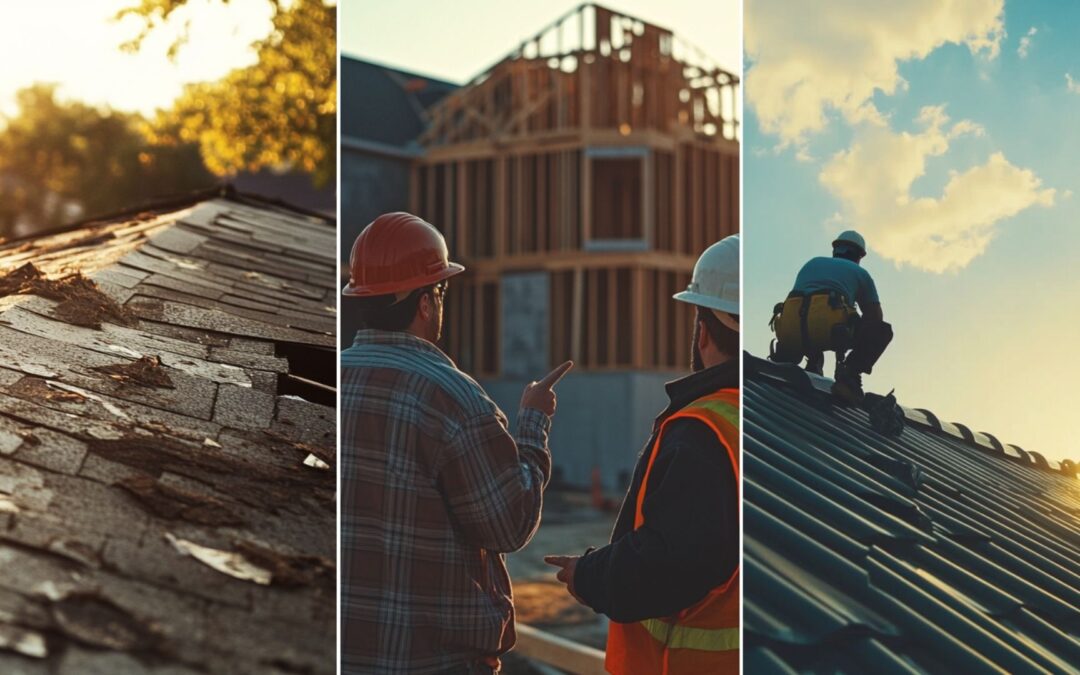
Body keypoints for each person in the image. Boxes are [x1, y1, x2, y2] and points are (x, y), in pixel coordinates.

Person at [340, 211, 572, 675]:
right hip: (435, 662)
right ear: (426, 302)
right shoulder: (454, 398)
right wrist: (532, 422)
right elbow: (509, 524)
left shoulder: (337, 376)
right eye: (441, 291)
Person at [545, 235, 740, 675]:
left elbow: (666, 565)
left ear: (703, 329)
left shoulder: (701, 430)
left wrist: (587, 574)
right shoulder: (758, 421)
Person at [769, 230, 892, 403]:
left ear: (836, 250)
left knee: (813, 313)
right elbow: (875, 317)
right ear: (859, 256)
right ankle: (848, 377)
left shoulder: (812, 263)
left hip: (792, 333)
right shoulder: (860, 273)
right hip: (830, 332)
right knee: (881, 330)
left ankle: (792, 362)